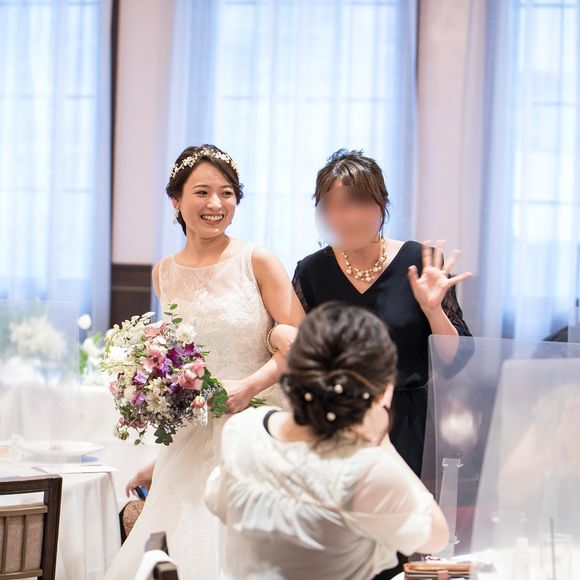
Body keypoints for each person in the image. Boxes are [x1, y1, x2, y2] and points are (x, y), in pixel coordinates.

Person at [105, 145, 304, 579]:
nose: (216, 203)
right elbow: (183, 366)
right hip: (196, 435)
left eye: (226, 192)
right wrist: (164, 459)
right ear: (176, 201)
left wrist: (250, 386)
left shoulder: (257, 260)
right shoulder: (163, 272)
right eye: (202, 192)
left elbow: (302, 343)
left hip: (260, 427)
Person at [205, 302, 449, 580]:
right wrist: (381, 442)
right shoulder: (364, 470)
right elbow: (436, 538)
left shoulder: (244, 430)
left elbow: (216, 500)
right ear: (380, 390)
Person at [273, 149, 473, 478]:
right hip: (335, 420)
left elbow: (454, 360)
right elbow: (301, 351)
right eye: (333, 205)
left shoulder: (421, 262)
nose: (348, 216)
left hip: (405, 423)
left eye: (359, 202)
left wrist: (433, 309)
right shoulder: (311, 271)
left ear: (381, 203)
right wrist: (275, 334)